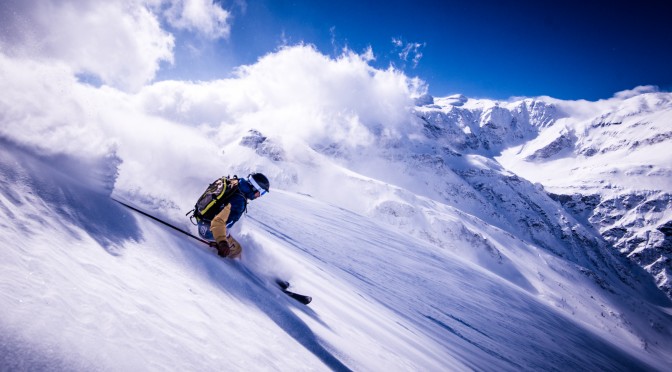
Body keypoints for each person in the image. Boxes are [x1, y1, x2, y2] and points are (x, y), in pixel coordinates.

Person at [197, 173, 270, 259]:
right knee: (238, 250)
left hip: (200, 216)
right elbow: (218, 221)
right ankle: (220, 263)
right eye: (262, 192)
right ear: (254, 188)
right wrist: (222, 242)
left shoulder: (235, 183)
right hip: (208, 230)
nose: (260, 196)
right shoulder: (239, 201)